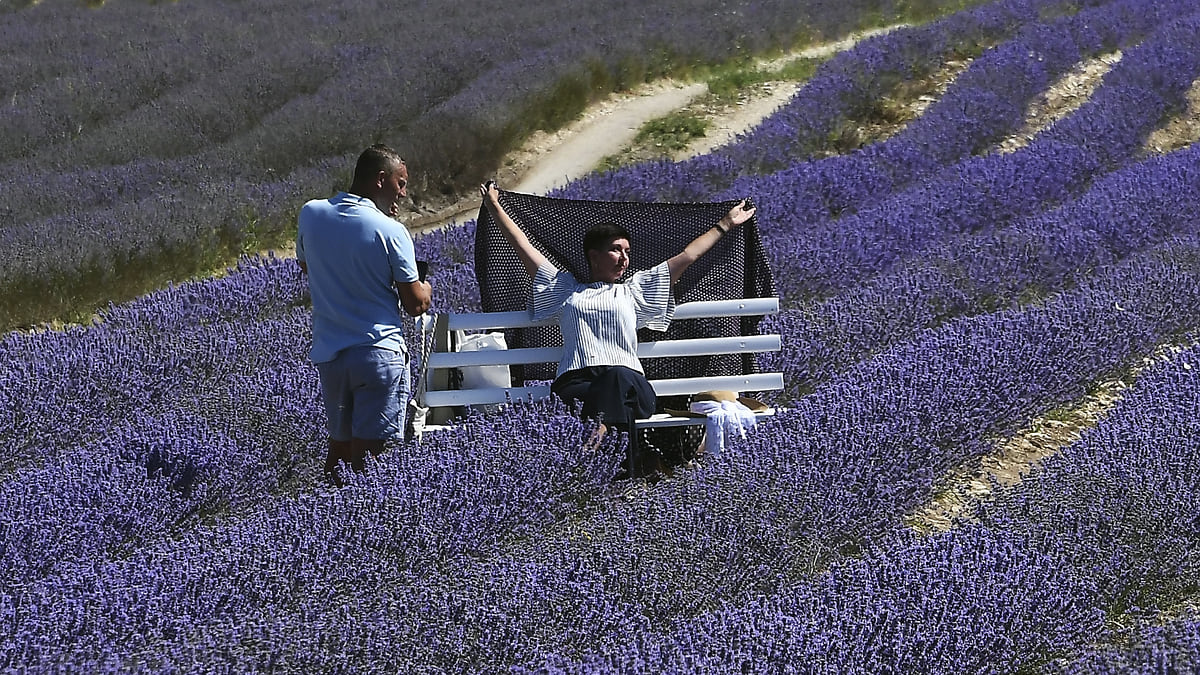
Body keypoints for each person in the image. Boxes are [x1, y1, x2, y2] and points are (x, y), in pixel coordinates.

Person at [479, 181, 755, 476]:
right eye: (614, 250)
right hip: (578, 385)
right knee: (615, 383)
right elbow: (524, 248)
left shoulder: (634, 291)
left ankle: (595, 441)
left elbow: (687, 257)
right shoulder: (567, 291)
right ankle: (633, 468)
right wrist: (495, 207)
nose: (624, 258)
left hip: (632, 385)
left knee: (619, 375)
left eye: (626, 251)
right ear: (593, 256)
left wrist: (725, 224)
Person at [297, 144, 432, 485]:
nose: (403, 194)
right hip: (377, 353)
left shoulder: (311, 214)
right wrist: (426, 289)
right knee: (371, 458)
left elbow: (306, 264)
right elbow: (415, 304)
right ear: (381, 180)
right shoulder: (390, 231)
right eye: (400, 184)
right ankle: (364, 522)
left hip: (331, 355)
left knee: (339, 450)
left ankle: (328, 517)